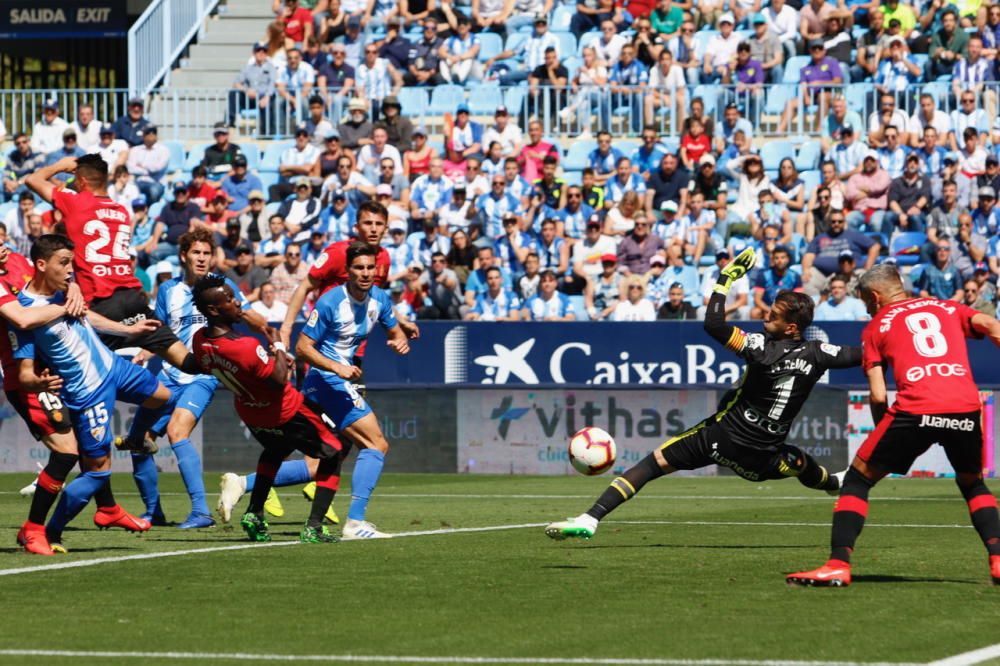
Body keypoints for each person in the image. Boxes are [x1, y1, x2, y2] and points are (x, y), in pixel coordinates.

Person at [547, 247, 861, 541]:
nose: (766, 316)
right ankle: (833, 483)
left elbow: (713, 324)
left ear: (791, 327)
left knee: (652, 464)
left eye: (774, 316)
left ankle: (590, 518)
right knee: (799, 462)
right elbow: (860, 354)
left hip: (720, 441)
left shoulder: (760, 348)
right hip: (761, 460)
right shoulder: (819, 353)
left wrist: (726, 278)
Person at [787, 264, 1000, 587]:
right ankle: (998, 562)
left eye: (864, 301)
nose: (866, 308)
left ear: (875, 296)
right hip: (965, 406)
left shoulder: (875, 327)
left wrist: (882, 432)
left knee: (857, 479)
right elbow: (989, 323)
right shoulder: (945, 306)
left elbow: (876, 394)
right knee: (972, 484)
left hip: (915, 409)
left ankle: (837, 564)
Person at [14, 234, 174, 552]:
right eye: (64, 263)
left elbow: (86, 316)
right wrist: (38, 384)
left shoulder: (64, 290)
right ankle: (52, 531)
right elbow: (24, 374)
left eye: (72, 262)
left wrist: (128, 331)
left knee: (163, 398)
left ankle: (133, 440)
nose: (71, 269)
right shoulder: (25, 314)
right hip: (89, 394)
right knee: (97, 473)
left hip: (114, 367)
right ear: (42, 265)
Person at [122, 230, 268, 527]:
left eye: (206, 253)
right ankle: (154, 513)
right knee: (139, 442)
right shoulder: (167, 290)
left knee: (177, 433)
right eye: (196, 253)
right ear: (183, 256)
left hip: (203, 375)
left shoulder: (222, 287)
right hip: (167, 375)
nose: (202, 258)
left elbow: (247, 313)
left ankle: (201, 512)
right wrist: (144, 352)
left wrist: (270, 334)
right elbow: (161, 330)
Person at [192, 275, 345, 543]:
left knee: (275, 450)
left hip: (251, 411)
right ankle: (314, 526)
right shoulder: (245, 346)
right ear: (214, 310)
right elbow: (277, 381)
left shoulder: (200, 340)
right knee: (334, 451)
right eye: (229, 299)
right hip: (286, 410)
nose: (238, 302)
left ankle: (254, 512)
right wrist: (277, 347)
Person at [25, 155, 196, 385]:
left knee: (62, 376)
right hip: (134, 300)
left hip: (101, 306)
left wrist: (60, 165)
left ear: (83, 181)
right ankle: (224, 360)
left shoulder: (75, 202)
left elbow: (32, 179)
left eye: (75, 180)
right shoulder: (122, 211)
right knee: (188, 362)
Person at [295, 242, 411, 539]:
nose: (365, 273)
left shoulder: (380, 299)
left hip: (341, 380)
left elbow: (395, 331)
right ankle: (355, 522)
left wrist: (399, 341)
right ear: (347, 271)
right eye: (359, 268)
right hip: (324, 380)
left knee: (329, 455)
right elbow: (302, 347)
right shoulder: (331, 302)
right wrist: (337, 368)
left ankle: (245, 485)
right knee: (375, 444)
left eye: (370, 268)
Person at [800, 211, 880, 296]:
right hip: (823, 274)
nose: (836, 224)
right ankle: (813, 307)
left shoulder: (853, 235)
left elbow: (875, 246)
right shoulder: (820, 237)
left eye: (840, 221)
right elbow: (809, 255)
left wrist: (868, 267)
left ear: (844, 222)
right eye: (833, 221)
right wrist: (806, 270)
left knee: (864, 278)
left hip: (852, 273)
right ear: (828, 222)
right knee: (808, 278)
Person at [126, 126, 170, 205]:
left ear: (156, 136)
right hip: (137, 181)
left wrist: (141, 165)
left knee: (153, 191)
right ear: (143, 136)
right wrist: (146, 171)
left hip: (155, 182)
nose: (150, 136)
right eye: (148, 134)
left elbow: (157, 168)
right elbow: (130, 168)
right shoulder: (135, 150)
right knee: (125, 189)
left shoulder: (163, 150)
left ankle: (149, 213)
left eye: (153, 133)